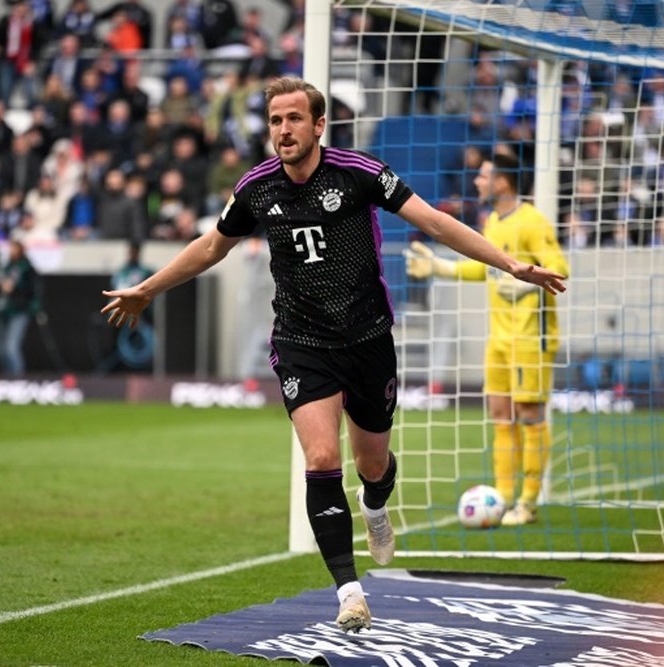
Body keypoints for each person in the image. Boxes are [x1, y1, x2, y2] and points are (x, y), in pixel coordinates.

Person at [100, 77, 566, 633]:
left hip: (368, 339)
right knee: (322, 459)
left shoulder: (359, 173)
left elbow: (433, 222)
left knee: (372, 464)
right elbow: (209, 246)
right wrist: (148, 288)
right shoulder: (256, 188)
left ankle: (375, 506)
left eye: (294, 119)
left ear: (318, 125)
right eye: (275, 120)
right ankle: (349, 591)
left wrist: (508, 263)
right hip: (302, 342)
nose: (284, 130)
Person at [405, 152, 570, 526]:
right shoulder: (493, 222)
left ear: (503, 181)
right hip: (499, 338)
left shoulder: (532, 222)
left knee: (529, 416)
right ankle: (502, 497)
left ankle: (528, 501)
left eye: (483, 176)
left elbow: (559, 266)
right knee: (500, 416)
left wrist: (526, 286)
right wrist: (441, 267)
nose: (477, 182)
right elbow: (489, 267)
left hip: (531, 338)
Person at [0, 239, 40, 376]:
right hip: (4, 310)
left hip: (19, 311)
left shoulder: (27, 268)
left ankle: (18, 379)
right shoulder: (6, 267)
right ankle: (7, 378)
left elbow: (32, 291)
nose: (11, 252)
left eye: (14, 248)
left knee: (11, 347)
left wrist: (14, 290)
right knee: (1, 350)